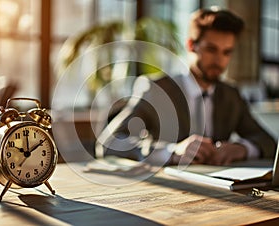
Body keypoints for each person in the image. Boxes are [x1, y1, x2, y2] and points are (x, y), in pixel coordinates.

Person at [96, 8, 276, 166]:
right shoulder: (156, 90)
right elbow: (108, 143)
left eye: (227, 52)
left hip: (221, 190)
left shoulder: (231, 96)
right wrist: (171, 152)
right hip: (167, 193)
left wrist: (243, 149)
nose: (219, 61)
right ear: (191, 46)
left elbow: (268, 142)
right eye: (211, 50)